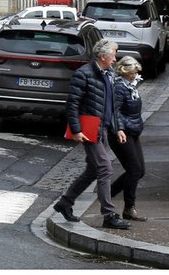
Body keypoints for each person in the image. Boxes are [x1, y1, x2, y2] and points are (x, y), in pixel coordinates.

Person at [53, 38, 129, 229]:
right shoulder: (84, 74)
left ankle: (65, 202)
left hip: (102, 128)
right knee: (105, 168)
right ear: (103, 56)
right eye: (113, 54)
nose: (115, 58)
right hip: (89, 130)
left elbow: (113, 106)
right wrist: (77, 130)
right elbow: (72, 104)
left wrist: (118, 127)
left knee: (93, 170)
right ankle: (109, 214)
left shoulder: (109, 73)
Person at [108, 55, 149, 221]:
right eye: (131, 73)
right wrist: (120, 129)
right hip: (121, 133)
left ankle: (108, 194)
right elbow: (115, 111)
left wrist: (136, 132)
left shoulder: (130, 86)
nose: (134, 75)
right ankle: (129, 208)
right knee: (135, 169)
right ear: (123, 71)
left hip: (132, 132)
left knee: (139, 171)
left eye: (135, 72)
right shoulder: (119, 87)